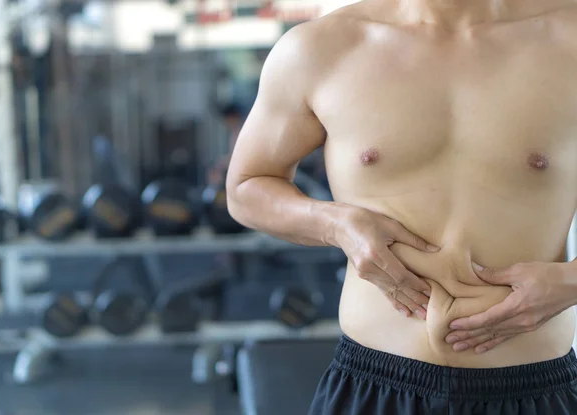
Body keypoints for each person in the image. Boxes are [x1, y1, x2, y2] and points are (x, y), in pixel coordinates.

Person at [226, 0, 577, 413]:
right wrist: (336, 223)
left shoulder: (567, 35)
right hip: (373, 388)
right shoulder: (321, 47)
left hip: (535, 387)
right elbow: (246, 187)